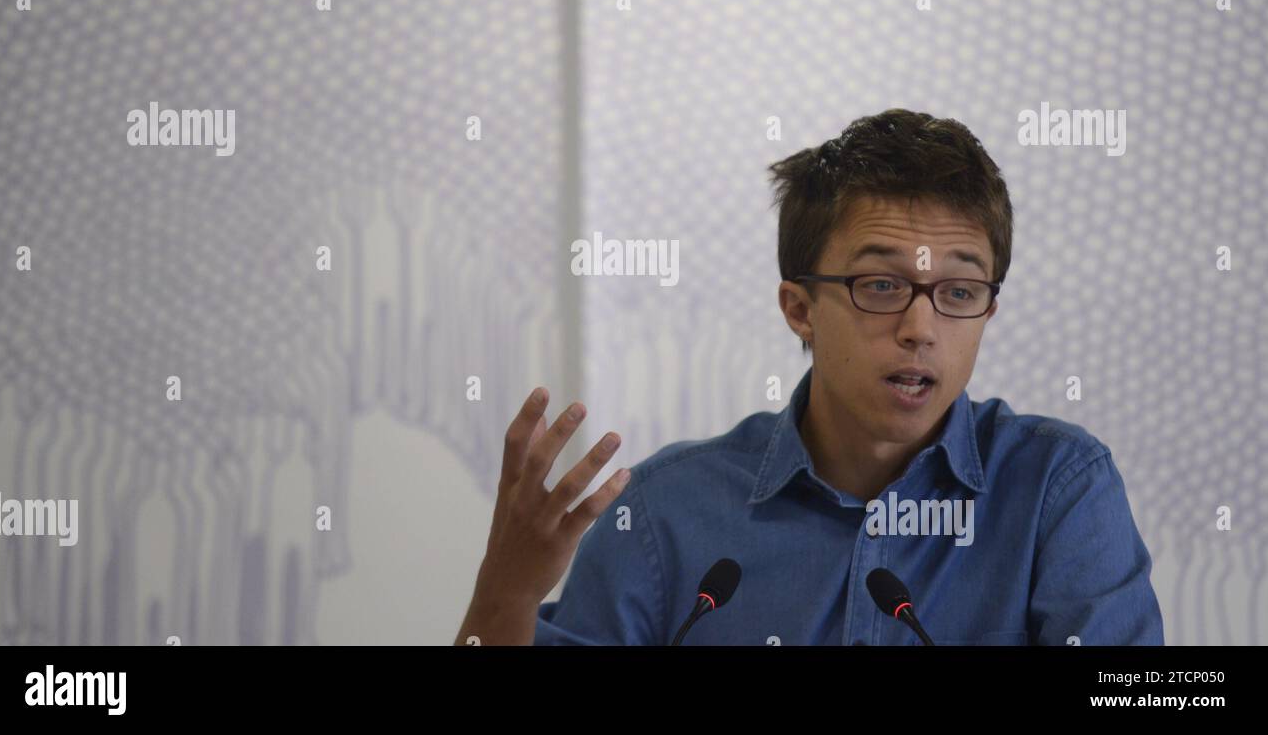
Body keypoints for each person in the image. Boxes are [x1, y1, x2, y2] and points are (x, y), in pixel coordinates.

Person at [454, 109, 1164, 646]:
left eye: (958, 292)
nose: (921, 329)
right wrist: (505, 593)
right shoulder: (665, 517)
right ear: (800, 308)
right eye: (882, 286)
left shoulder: (1055, 492)